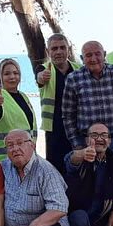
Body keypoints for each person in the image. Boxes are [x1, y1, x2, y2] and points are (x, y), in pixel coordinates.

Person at [62, 40, 113, 159]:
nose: (93, 59)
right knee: (91, 177)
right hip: (88, 142)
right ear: (82, 58)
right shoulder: (73, 79)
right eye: (88, 55)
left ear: (104, 54)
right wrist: (76, 144)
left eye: (97, 54)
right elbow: (68, 115)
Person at [35, 34, 80, 172]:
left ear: (68, 49)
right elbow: (39, 78)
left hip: (78, 127)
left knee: (79, 167)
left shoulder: (79, 69)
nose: (59, 51)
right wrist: (41, 77)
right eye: (54, 49)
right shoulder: (43, 69)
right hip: (54, 129)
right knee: (55, 169)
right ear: (48, 52)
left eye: (62, 47)